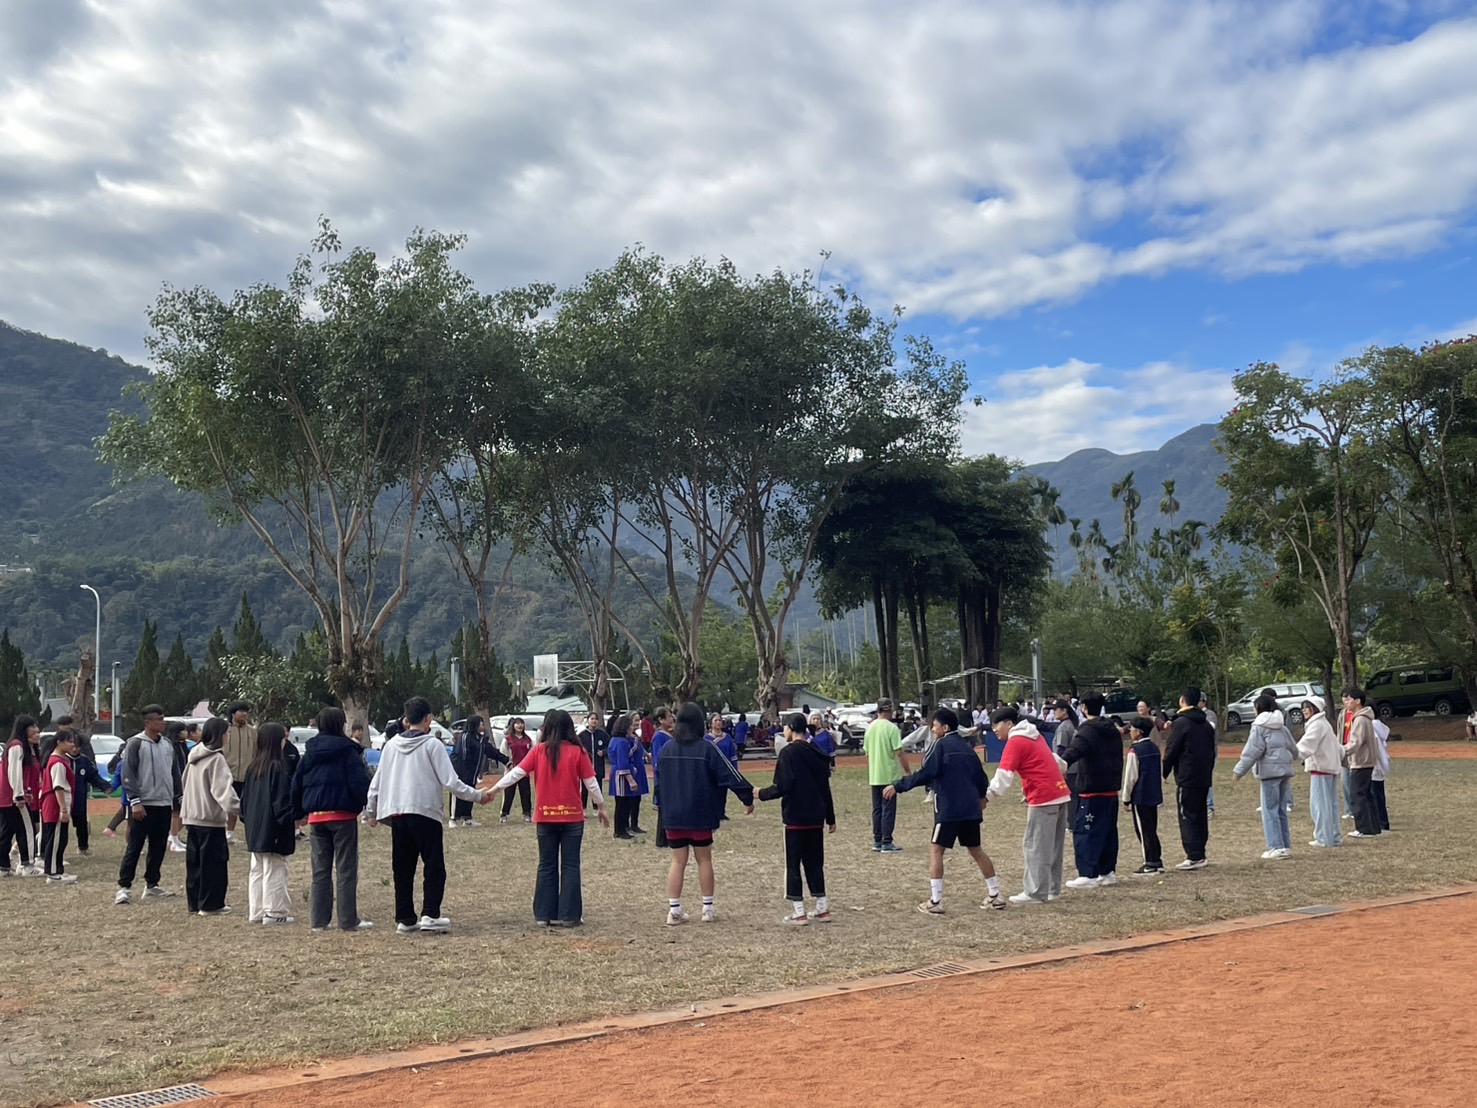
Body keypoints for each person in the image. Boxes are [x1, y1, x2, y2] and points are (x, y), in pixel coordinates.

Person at [366, 696, 491, 934]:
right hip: (425, 811)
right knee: (433, 865)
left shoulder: (390, 745)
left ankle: (405, 917)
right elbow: (451, 781)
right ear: (428, 719)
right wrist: (478, 796)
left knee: (402, 867)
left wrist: (371, 810)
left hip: (398, 812)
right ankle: (430, 914)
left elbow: (377, 781)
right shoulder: (433, 745)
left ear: (405, 720)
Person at [488, 710, 608, 926]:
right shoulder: (578, 752)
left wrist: (495, 789)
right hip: (572, 818)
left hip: (545, 817)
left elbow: (516, 773)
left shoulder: (539, 751)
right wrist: (601, 807)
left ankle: (544, 914)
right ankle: (570, 915)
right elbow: (591, 783)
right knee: (570, 865)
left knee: (546, 864)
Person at [886, 707, 1006, 914]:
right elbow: (980, 777)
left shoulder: (939, 746)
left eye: (934, 725)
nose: (932, 730)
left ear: (945, 727)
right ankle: (995, 894)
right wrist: (981, 798)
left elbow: (927, 772)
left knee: (936, 849)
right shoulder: (968, 748)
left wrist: (899, 786)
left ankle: (935, 901)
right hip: (970, 809)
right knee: (976, 849)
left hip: (949, 808)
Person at [654, 702, 754, 924]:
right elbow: (729, 774)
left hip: (673, 816)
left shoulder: (666, 750)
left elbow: (660, 783)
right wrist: (747, 796)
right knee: (704, 859)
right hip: (700, 815)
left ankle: (674, 910)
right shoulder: (707, 748)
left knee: (677, 862)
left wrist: (660, 805)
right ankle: (707, 908)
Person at [292, 706, 374, 932]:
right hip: (343, 815)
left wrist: (298, 812)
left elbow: (297, 783)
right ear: (341, 725)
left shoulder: (310, 752)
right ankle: (348, 920)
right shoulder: (349, 751)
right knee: (346, 869)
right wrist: (363, 804)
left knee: (320, 870)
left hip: (317, 817)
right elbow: (359, 783)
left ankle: (319, 921)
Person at [757, 713, 836, 925]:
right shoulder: (818, 753)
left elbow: (783, 786)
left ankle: (798, 910)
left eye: (785, 727)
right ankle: (822, 906)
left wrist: (760, 794)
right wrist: (831, 817)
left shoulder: (788, 753)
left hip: (795, 817)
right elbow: (825, 788)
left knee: (793, 864)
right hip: (816, 817)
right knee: (815, 862)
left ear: (791, 728)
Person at [986, 705, 1070, 904]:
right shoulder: (1035, 735)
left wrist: (986, 797)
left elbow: (1003, 776)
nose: (994, 730)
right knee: (1054, 846)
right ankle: (1051, 889)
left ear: (1009, 724)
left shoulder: (1016, 741)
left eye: (996, 725)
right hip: (1060, 793)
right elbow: (1057, 762)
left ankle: (1035, 892)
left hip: (1044, 797)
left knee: (1035, 845)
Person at [116, 706, 184, 903]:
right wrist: (135, 801)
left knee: (158, 846)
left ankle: (152, 884)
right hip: (143, 803)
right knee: (135, 846)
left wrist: (178, 796)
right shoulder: (136, 743)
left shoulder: (167, 745)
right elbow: (128, 774)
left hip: (163, 803)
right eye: (159, 719)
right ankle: (124, 887)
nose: (163, 722)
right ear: (148, 722)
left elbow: (174, 772)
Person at [1058, 694, 1123, 888]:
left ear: (1084, 708)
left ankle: (1088, 873)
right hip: (1110, 787)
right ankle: (1107, 870)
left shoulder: (1087, 730)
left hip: (1092, 788)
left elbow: (1074, 751)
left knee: (1085, 830)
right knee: (1108, 831)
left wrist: (1060, 763)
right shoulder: (1111, 729)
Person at [181, 717, 240, 915]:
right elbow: (223, 792)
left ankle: (195, 902)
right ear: (220, 735)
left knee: (195, 864)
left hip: (192, 817)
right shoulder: (216, 759)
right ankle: (211, 904)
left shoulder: (193, 756)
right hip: (210, 819)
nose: (228, 736)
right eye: (227, 733)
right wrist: (242, 808)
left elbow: (184, 783)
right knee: (213, 864)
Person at [241, 723, 297, 924]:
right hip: (273, 828)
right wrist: (291, 819)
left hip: (255, 827)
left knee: (257, 870)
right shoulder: (278, 768)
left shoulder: (253, 768)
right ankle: (274, 912)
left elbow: (244, 802)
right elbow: (281, 802)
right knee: (275, 868)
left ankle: (256, 912)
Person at [1231, 694, 1297, 858]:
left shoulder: (1259, 726)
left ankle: (1275, 846)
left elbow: (1252, 751)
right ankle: (1285, 845)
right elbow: (1293, 749)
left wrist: (1239, 770)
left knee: (1269, 810)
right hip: (1284, 772)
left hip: (1269, 773)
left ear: (1258, 708)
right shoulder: (1282, 726)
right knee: (1281, 809)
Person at [1163, 686, 1216, 870]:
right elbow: (1212, 751)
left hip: (1187, 776)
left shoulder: (1181, 723)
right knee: (1200, 814)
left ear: (1182, 701)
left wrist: (1164, 771)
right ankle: (1199, 851)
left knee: (1187, 814)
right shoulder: (1206, 724)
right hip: (1203, 775)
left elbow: (1172, 749)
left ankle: (1194, 855)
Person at [864, 698, 911, 853]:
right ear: (889, 711)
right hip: (889, 775)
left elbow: (867, 752)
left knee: (876, 808)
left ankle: (877, 840)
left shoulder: (870, 728)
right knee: (888, 809)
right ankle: (887, 841)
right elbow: (899, 752)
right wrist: (907, 771)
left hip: (875, 774)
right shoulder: (892, 728)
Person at [1295, 696, 1342, 848]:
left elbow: (1306, 746)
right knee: (1330, 805)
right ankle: (1333, 836)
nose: (1304, 710)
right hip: (1329, 768)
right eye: (1303, 707)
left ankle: (1323, 838)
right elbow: (1338, 748)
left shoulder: (1316, 725)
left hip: (1321, 769)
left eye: (1307, 707)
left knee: (1319, 806)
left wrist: (1291, 754)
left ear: (1315, 708)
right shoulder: (1324, 724)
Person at [1120, 717, 1164, 875]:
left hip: (1140, 796)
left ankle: (1150, 862)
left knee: (1143, 830)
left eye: (1131, 729)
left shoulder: (1135, 751)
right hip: (1153, 794)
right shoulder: (1154, 747)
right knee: (1151, 827)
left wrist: (1126, 798)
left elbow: (1130, 777)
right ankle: (1157, 860)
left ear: (1139, 732)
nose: (1130, 732)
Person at [0, 714, 43, 876]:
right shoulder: (16, 746)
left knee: (7, 832)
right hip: (14, 798)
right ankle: (27, 865)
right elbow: (14, 773)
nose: (36, 730)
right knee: (27, 830)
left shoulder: (27, 748)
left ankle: (3, 867)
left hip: (9, 797)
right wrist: (19, 796)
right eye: (32, 727)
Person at [39, 729, 79, 883]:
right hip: (55, 804)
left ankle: (58, 870)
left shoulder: (62, 760)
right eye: (69, 741)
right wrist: (63, 809)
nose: (72, 745)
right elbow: (58, 787)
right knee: (55, 839)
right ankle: (53, 873)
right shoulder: (57, 762)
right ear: (59, 742)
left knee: (61, 839)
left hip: (59, 804)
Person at [451, 716, 505, 828]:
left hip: (472, 773)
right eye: (481, 723)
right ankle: (454, 819)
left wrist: (506, 760)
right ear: (474, 725)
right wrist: (461, 771)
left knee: (470, 792)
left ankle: (467, 818)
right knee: (458, 793)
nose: (482, 726)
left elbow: (492, 752)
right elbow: (462, 755)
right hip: (461, 772)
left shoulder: (480, 740)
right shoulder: (465, 737)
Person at [1341, 688, 1381, 838]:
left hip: (1361, 761)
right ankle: (1373, 827)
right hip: (1366, 761)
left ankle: (1364, 828)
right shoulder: (1364, 718)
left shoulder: (1360, 719)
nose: (1346, 702)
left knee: (1358, 795)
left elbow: (1355, 742)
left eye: (1348, 699)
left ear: (1358, 701)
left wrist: (1341, 751)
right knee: (1367, 794)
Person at [607, 714, 643, 840]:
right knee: (623, 804)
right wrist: (631, 780)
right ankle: (620, 830)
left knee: (622, 804)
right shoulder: (621, 742)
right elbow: (623, 762)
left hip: (618, 773)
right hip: (621, 776)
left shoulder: (614, 739)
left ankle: (621, 829)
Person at [649, 707, 676, 848]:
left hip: (671, 776)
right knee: (664, 808)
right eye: (669, 716)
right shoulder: (659, 737)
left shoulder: (668, 735)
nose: (672, 719)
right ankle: (662, 839)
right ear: (661, 720)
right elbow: (659, 759)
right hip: (664, 777)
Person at [499, 717, 533, 823]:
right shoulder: (508, 739)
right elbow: (503, 752)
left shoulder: (528, 739)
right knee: (509, 793)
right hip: (511, 770)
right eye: (517, 723)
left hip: (524, 771)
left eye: (521, 723)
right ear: (513, 725)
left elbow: (532, 753)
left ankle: (527, 814)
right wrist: (508, 764)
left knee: (525, 793)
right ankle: (504, 814)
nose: (519, 725)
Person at [164, 721, 191, 853]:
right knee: (176, 812)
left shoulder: (183, 746)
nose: (186, 733)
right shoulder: (171, 747)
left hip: (184, 782)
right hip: (174, 784)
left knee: (183, 812)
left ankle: (173, 837)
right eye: (183, 730)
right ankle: (173, 840)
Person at [223, 702, 257, 802]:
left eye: (246, 711)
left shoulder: (252, 731)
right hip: (228, 777)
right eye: (241, 711)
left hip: (247, 777)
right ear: (233, 714)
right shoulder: (225, 731)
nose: (244, 714)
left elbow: (256, 751)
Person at [709, 714, 740, 820]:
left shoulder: (727, 738)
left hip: (725, 769)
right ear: (711, 723)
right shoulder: (706, 739)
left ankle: (721, 812)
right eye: (716, 720)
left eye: (720, 720)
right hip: (711, 769)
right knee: (712, 791)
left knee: (723, 791)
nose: (718, 722)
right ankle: (713, 813)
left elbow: (732, 754)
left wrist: (735, 769)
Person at [1371, 716, 1392, 833]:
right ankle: (1381, 822)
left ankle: (1382, 823)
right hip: (1379, 767)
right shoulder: (1379, 727)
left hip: (1375, 767)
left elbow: (1377, 750)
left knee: (1376, 796)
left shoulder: (1371, 726)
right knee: (1379, 795)